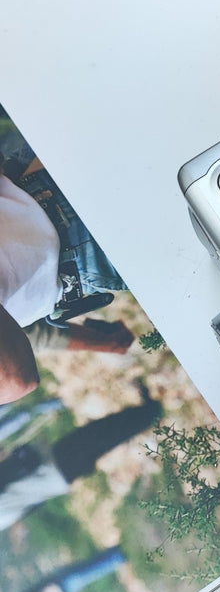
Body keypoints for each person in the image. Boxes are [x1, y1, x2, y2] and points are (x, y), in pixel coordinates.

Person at [0, 118, 130, 405]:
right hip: (82, 261)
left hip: (66, 218)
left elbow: (15, 380)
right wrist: (103, 342)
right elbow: (15, 360)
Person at [0, 395, 162, 531]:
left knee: (105, 437)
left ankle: (146, 413)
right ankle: (150, 413)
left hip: (58, 480)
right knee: (102, 432)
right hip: (53, 466)